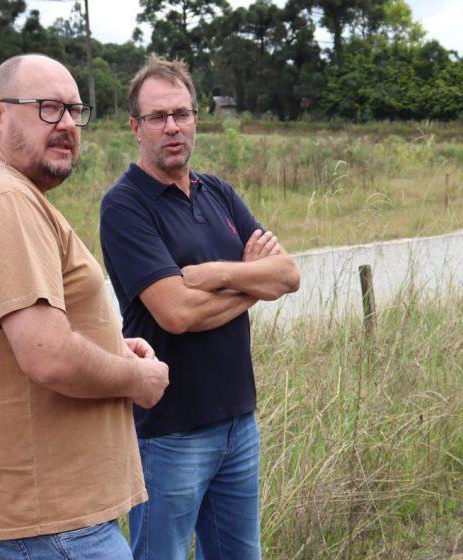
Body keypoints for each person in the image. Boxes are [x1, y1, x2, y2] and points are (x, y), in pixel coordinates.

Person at [0, 53, 169, 559]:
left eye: (74, 111)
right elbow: (49, 357)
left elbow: (34, 337)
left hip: (50, 519)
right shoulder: (5, 205)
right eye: (46, 108)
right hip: (50, 522)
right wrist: (137, 381)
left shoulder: (10, 196)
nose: (65, 124)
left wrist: (108, 346)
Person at [99, 54, 300, 560]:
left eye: (182, 114)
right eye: (157, 117)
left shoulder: (218, 193)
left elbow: (288, 275)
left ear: (195, 120)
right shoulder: (125, 206)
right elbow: (177, 314)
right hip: (170, 433)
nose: (172, 127)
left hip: (239, 422)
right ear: (135, 127)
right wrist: (255, 285)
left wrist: (217, 275)